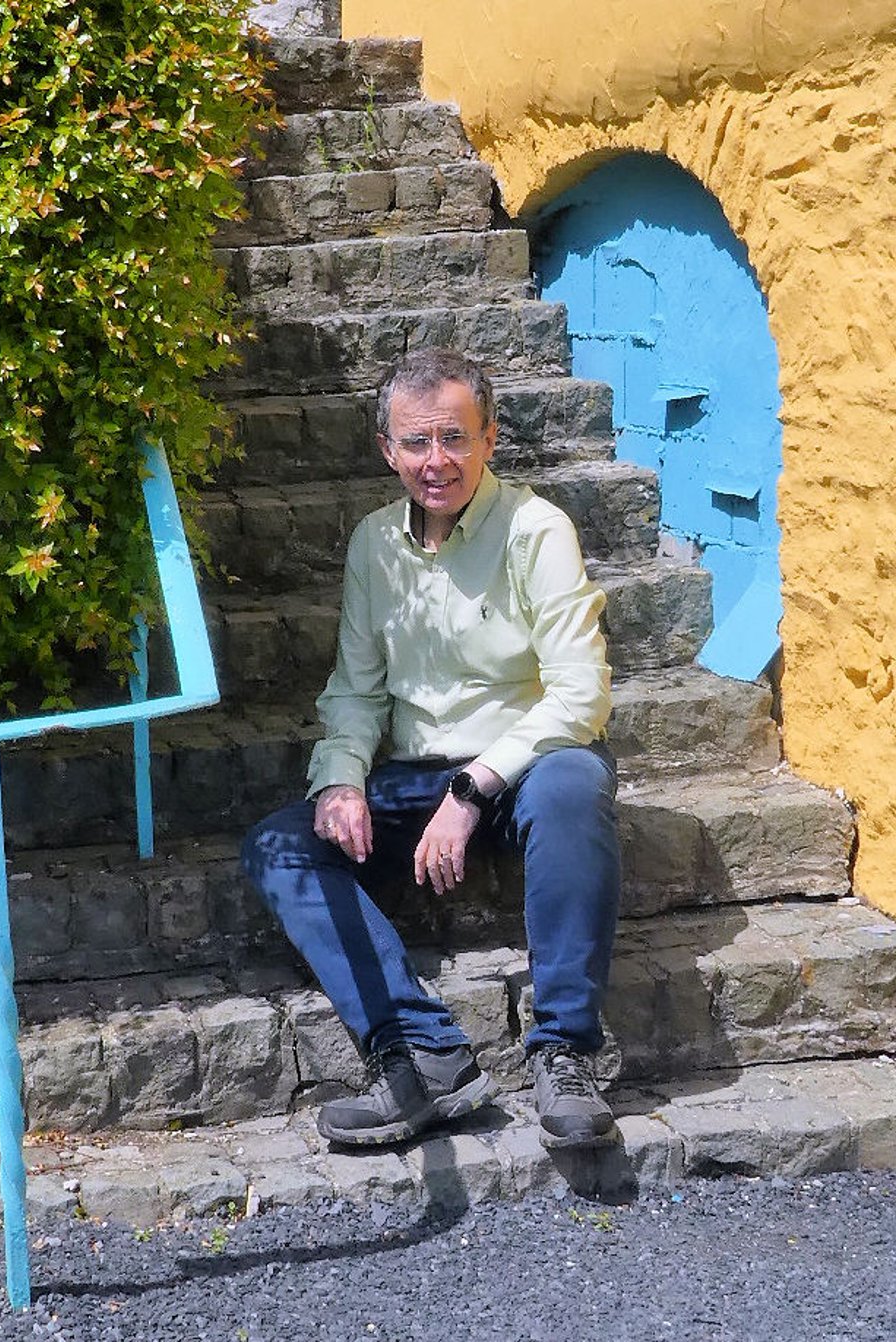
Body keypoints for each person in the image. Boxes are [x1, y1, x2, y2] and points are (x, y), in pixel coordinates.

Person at [241, 347, 622, 1150]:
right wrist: (341, 781)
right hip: (414, 778)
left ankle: (564, 1052)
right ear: (389, 450)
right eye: (416, 442)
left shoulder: (536, 529)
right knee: (279, 844)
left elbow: (580, 694)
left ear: (490, 439)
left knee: (574, 786)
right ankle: (424, 1053)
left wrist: (473, 788)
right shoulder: (374, 544)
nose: (436, 461)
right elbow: (357, 691)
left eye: (454, 437)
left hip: (523, 767)